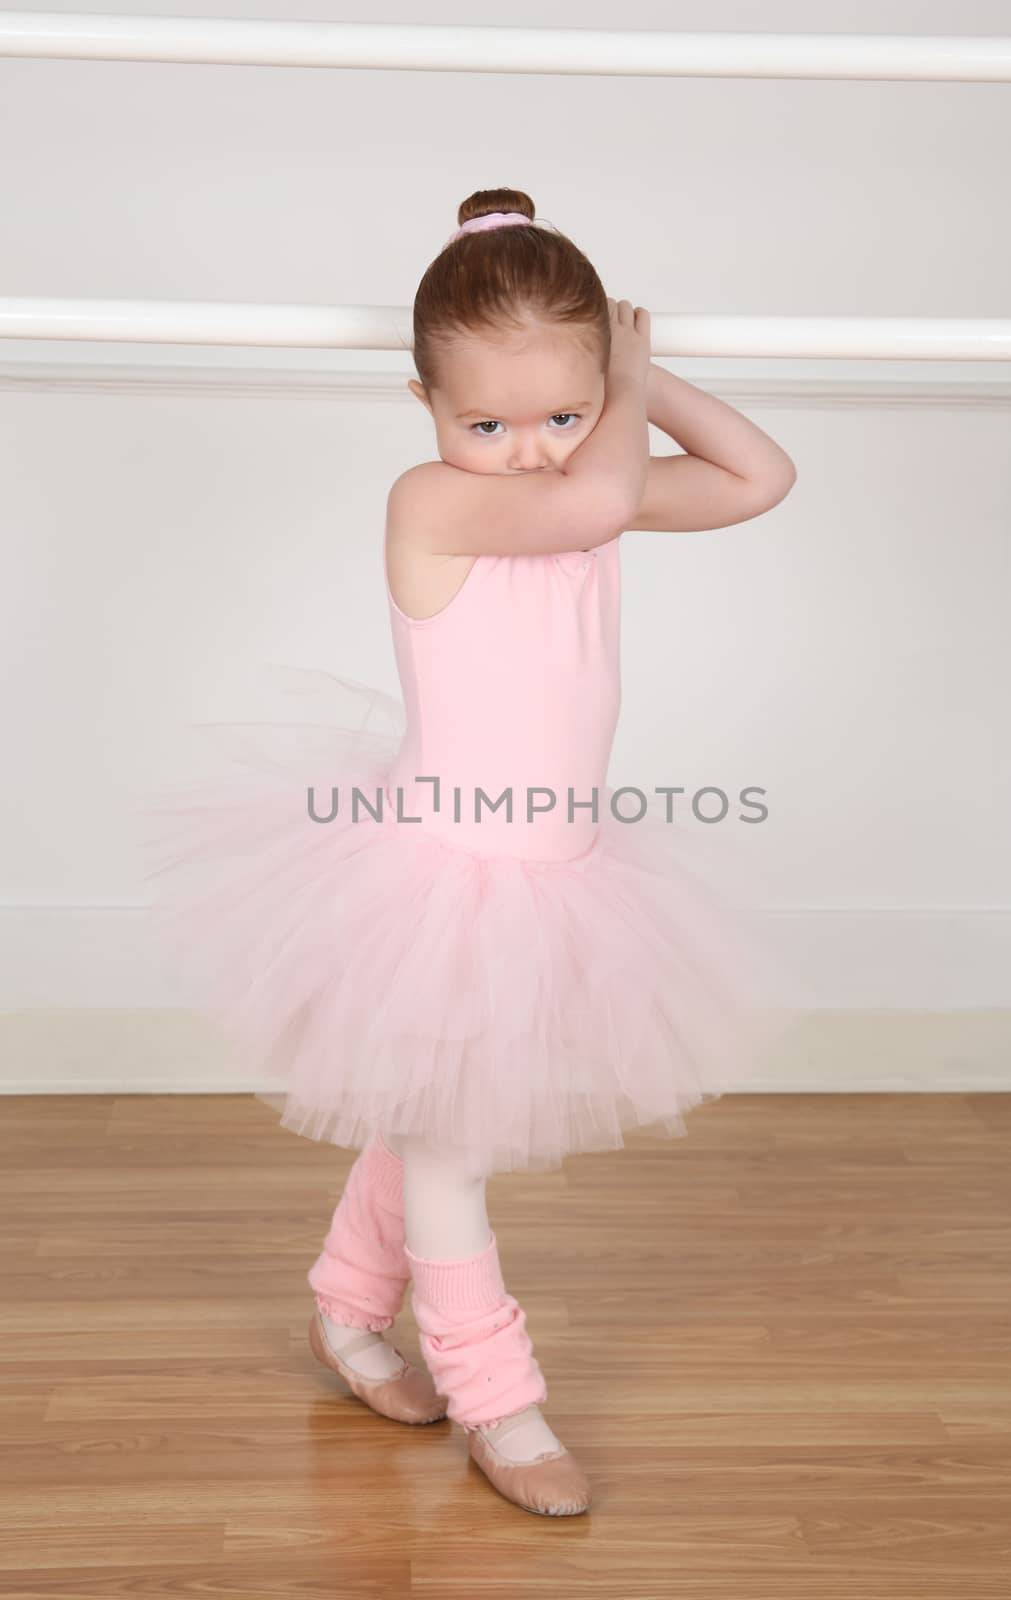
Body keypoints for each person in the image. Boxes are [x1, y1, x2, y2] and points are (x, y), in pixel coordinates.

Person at [137, 187, 804, 1518]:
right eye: (485, 420)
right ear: (423, 404)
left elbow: (758, 478)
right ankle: (497, 1397)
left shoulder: (573, 487)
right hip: (441, 880)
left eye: (559, 413)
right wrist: (610, 382)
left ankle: (343, 1309)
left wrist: (639, 368)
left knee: (431, 1118)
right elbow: (604, 490)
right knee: (450, 1144)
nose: (528, 449)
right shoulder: (442, 502)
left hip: (558, 876)